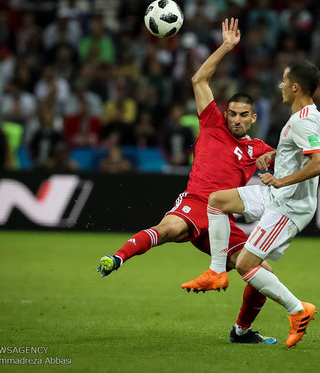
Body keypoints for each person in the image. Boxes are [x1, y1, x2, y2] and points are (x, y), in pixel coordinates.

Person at [97, 18, 278, 344]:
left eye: (243, 115)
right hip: (197, 202)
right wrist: (225, 47)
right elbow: (199, 78)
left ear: (253, 118)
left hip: (223, 221)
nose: (235, 119)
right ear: (226, 113)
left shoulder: (259, 148)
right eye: (232, 113)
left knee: (262, 276)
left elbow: (299, 158)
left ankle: (242, 331)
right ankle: (117, 258)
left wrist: (318, 134)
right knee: (167, 230)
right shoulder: (211, 123)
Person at [182, 59, 320, 348]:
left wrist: (282, 180)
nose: (280, 85)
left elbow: (319, 164)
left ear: (295, 87)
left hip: (288, 206)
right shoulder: (309, 118)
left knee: (246, 266)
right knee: (217, 200)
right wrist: (284, 153)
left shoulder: (305, 119)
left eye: (284, 81)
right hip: (275, 195)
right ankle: (217, 271)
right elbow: (308, 148)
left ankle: (298, 310)